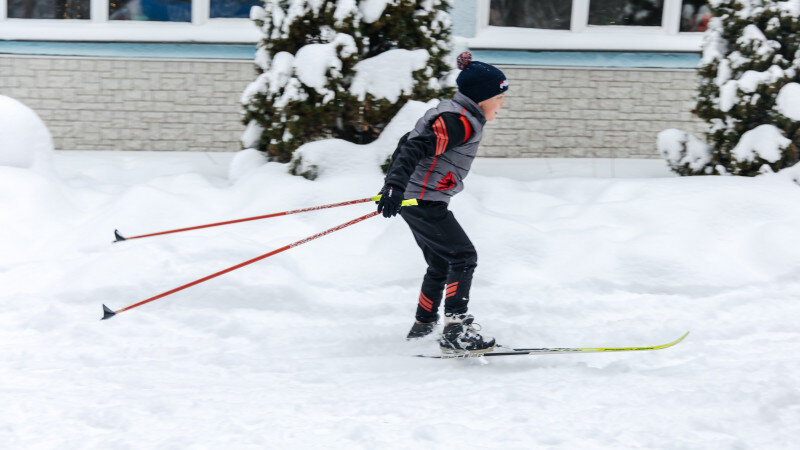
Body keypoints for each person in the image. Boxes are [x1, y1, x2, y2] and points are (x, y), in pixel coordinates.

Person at [376, 51, 508, 354]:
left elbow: (407, 141)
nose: (502, 104)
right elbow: (414, 147)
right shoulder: (458, 122)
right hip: (422, 201)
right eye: (499, 98)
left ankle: (423, 325)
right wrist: (395, 186)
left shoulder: (458, 116)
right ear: (482, 97)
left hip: (417, 198)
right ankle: (456, 328)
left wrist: (394, 188)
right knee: (463, 256)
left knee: (440, 262)